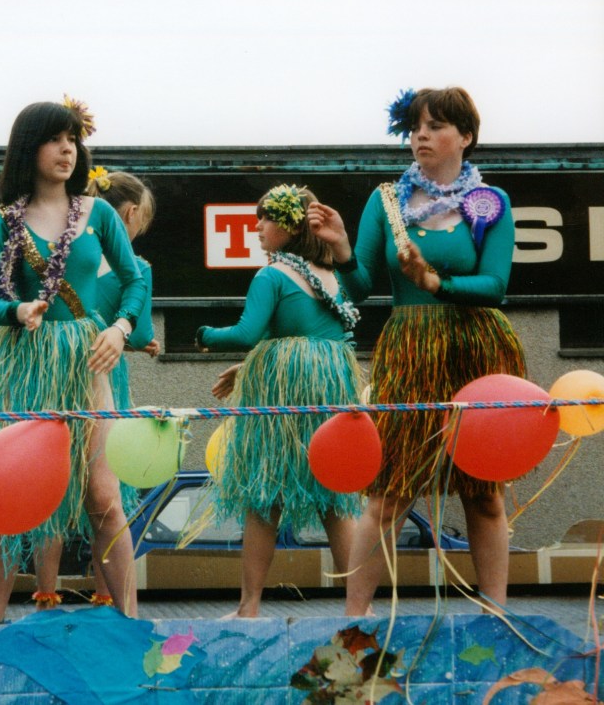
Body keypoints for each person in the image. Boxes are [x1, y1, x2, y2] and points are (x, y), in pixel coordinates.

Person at [307, 87, 524, 616]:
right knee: (388, 492)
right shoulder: (387, 200)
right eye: (414, 128)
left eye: (435, 126)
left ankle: (495, 615)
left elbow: (495, 285)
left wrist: (436, 283)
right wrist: (341, 250)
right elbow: (359, 289)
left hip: (475, 348)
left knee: (484, 493)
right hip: (409, 349)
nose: (420, 136)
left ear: (465, 137)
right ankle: (355, 620)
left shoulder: (489, 203)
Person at [0, 99, 146, 664]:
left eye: (73, 139)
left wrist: (121, 328)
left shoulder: (99, 213)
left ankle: (131, 628)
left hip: (86, 363)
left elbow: (134, 282)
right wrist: (18, 311)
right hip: (26, 363)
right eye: (55, 139)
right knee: (8, 498)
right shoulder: (3, 220)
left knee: (104, 497)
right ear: (28, 148)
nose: (67, 149)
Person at [195, 184, 363, 618]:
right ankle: (358, 609)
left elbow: (247, 333)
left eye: (265, 218)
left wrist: (204, 335)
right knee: (334, 498)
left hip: (285, 391)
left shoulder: (271, 275)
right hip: (330, 385)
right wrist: (249, 366)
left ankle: (249, 606)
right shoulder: (331, 276)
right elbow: (306, 329)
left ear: (291, 226)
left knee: (264, 497)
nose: (256, 227)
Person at [31, 169, 159, 610]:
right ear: (132, 214)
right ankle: (107, 596)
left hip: (51, 371)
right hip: (101, 375)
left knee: (52, 484)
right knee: (105, 494)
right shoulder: (136, 267)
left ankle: (45, 593)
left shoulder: (69, 251)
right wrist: (139, 341)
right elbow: (141, 331)